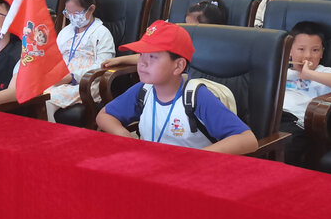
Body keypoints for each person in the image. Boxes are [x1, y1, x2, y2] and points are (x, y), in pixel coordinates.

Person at [96, 21, 257, 154]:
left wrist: (196, 158)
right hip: (152, 167)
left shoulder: (197, 97)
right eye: (142, 55)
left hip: (191, 173)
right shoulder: (144, 90)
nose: (143, 63)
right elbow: (104, 115)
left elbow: (247, 139)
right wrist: (125, 136)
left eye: (152, 56)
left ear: (178, 66)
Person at [281, 21, 331, 166]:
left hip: (296, 122)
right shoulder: (280, 70)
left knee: (285, 149)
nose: (308, 56)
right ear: (289, 51)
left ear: (322, 53)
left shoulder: (324, 72)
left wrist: (310, 74)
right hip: (272, 117)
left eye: (315, 50)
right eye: (301, 49)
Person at [47, 0, 116, 121]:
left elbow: (104, 65)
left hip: (87, 82)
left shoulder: (102, 33)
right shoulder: (66, 32)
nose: (72, 18)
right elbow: (55, 57)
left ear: (91, 9)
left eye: (76, 13)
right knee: (33, 95)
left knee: (46, 100)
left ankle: (48, 133)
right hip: (60, 79)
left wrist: (72, 77)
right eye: (68, 13)